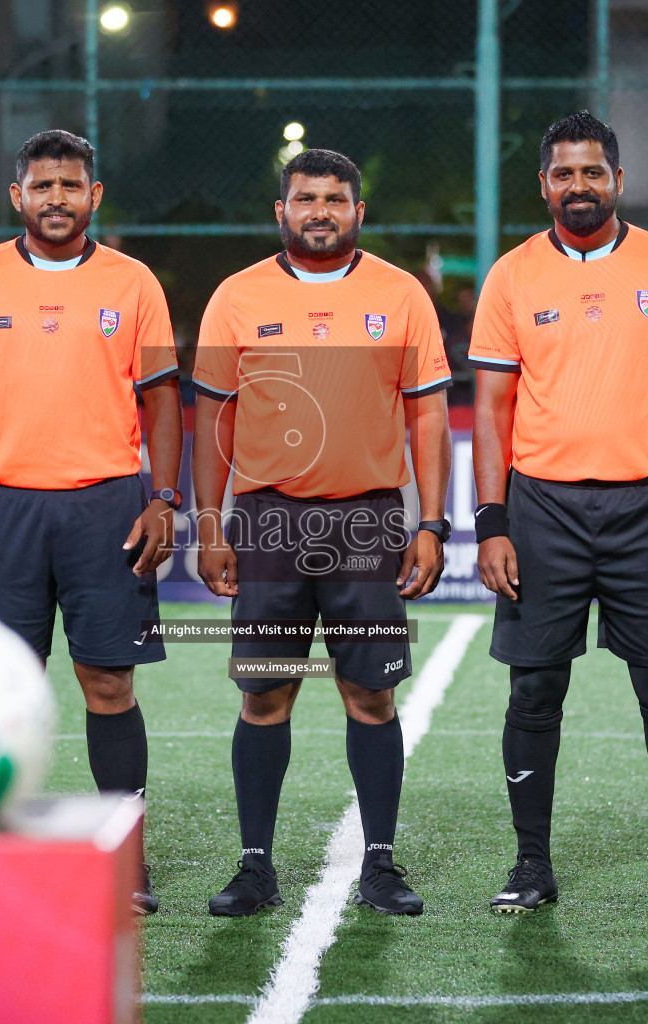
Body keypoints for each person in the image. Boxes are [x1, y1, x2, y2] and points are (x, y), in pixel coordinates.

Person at [0, 130, 181, 916]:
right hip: (1, 509)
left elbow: (164, 396)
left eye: (71, 185)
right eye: (43, 186)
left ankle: (124, 861)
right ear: (18, 197)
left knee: (108, 682)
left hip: (108, 505)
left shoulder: (134, 284)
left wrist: (163, 497)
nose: (56, 198)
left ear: (94, 196)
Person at [468, 111, 648, 916]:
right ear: (543, 184)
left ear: (617, 179)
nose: (579, 186)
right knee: (534, 691)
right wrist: (492, 520)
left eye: (593, 172)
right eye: (563, 174)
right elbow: (490, 409)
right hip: (542, 510)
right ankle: (531, 866)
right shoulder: (511, 275)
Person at [192, 148, 452, 918]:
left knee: (370, 695)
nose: (320, 210)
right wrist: (211, 525)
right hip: (269, 520)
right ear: (281, 211)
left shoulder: (401, 294)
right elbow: (213, 416)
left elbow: (428, 413)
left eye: (335, 198)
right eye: (305, 198)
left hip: (367, 519)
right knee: (265, 693)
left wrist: (432, 522)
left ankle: (380, 863)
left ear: (358, 211)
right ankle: (254, 866)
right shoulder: (236, 297)